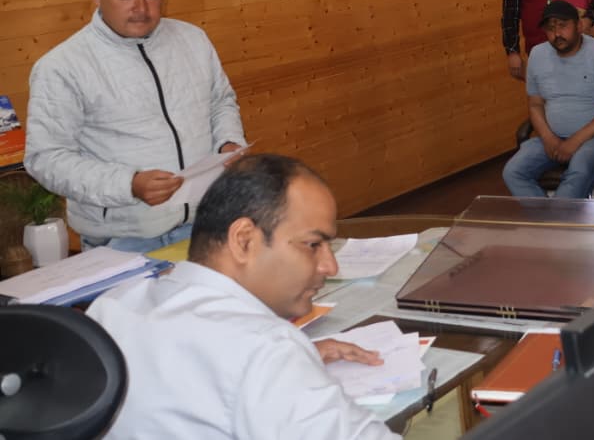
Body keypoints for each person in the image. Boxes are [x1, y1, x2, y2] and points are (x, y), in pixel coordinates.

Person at [87, 154, 397, 439]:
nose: (330, 266)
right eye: (313, 245)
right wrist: (284, 367)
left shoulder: (113, 307)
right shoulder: (265, 349)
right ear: (244, 240)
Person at [24, 0, 245, 252]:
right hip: (123, 240)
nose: (141, 9)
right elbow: (46, 158)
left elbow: (220, 101)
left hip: (206, 223)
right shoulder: (62, 67)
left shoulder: (192, 39)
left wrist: (228, 143)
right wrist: (128, 184)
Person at [502, 0, 594, 199]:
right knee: (513, 171)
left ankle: (558, 213)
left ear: (578, 26)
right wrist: (548, 137)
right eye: (550, 28)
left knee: (578, 174)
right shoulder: (537, 55)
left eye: (563, 26)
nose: (556, 34)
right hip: (552, 137)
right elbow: (535, 104)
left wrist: (574, 141)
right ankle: (550, 216)